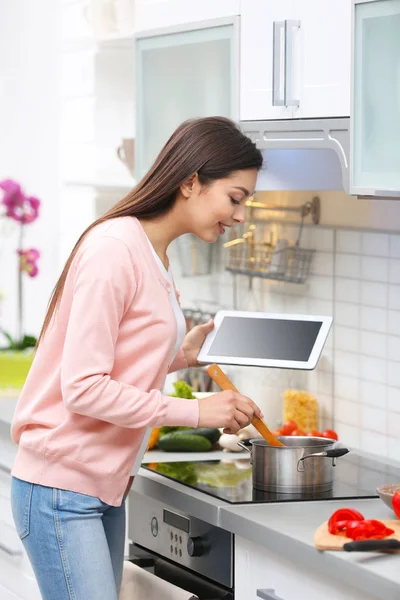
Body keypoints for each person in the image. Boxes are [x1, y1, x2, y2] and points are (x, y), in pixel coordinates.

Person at [10, 116, 264, 600]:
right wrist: (195, 410)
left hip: (100, 487)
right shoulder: (114, 250)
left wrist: (177, 358)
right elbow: (82, 387)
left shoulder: (152, 253)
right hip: (62, 491)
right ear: (191, 182)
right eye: (235, 198)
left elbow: (110, 359)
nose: (239, 215)